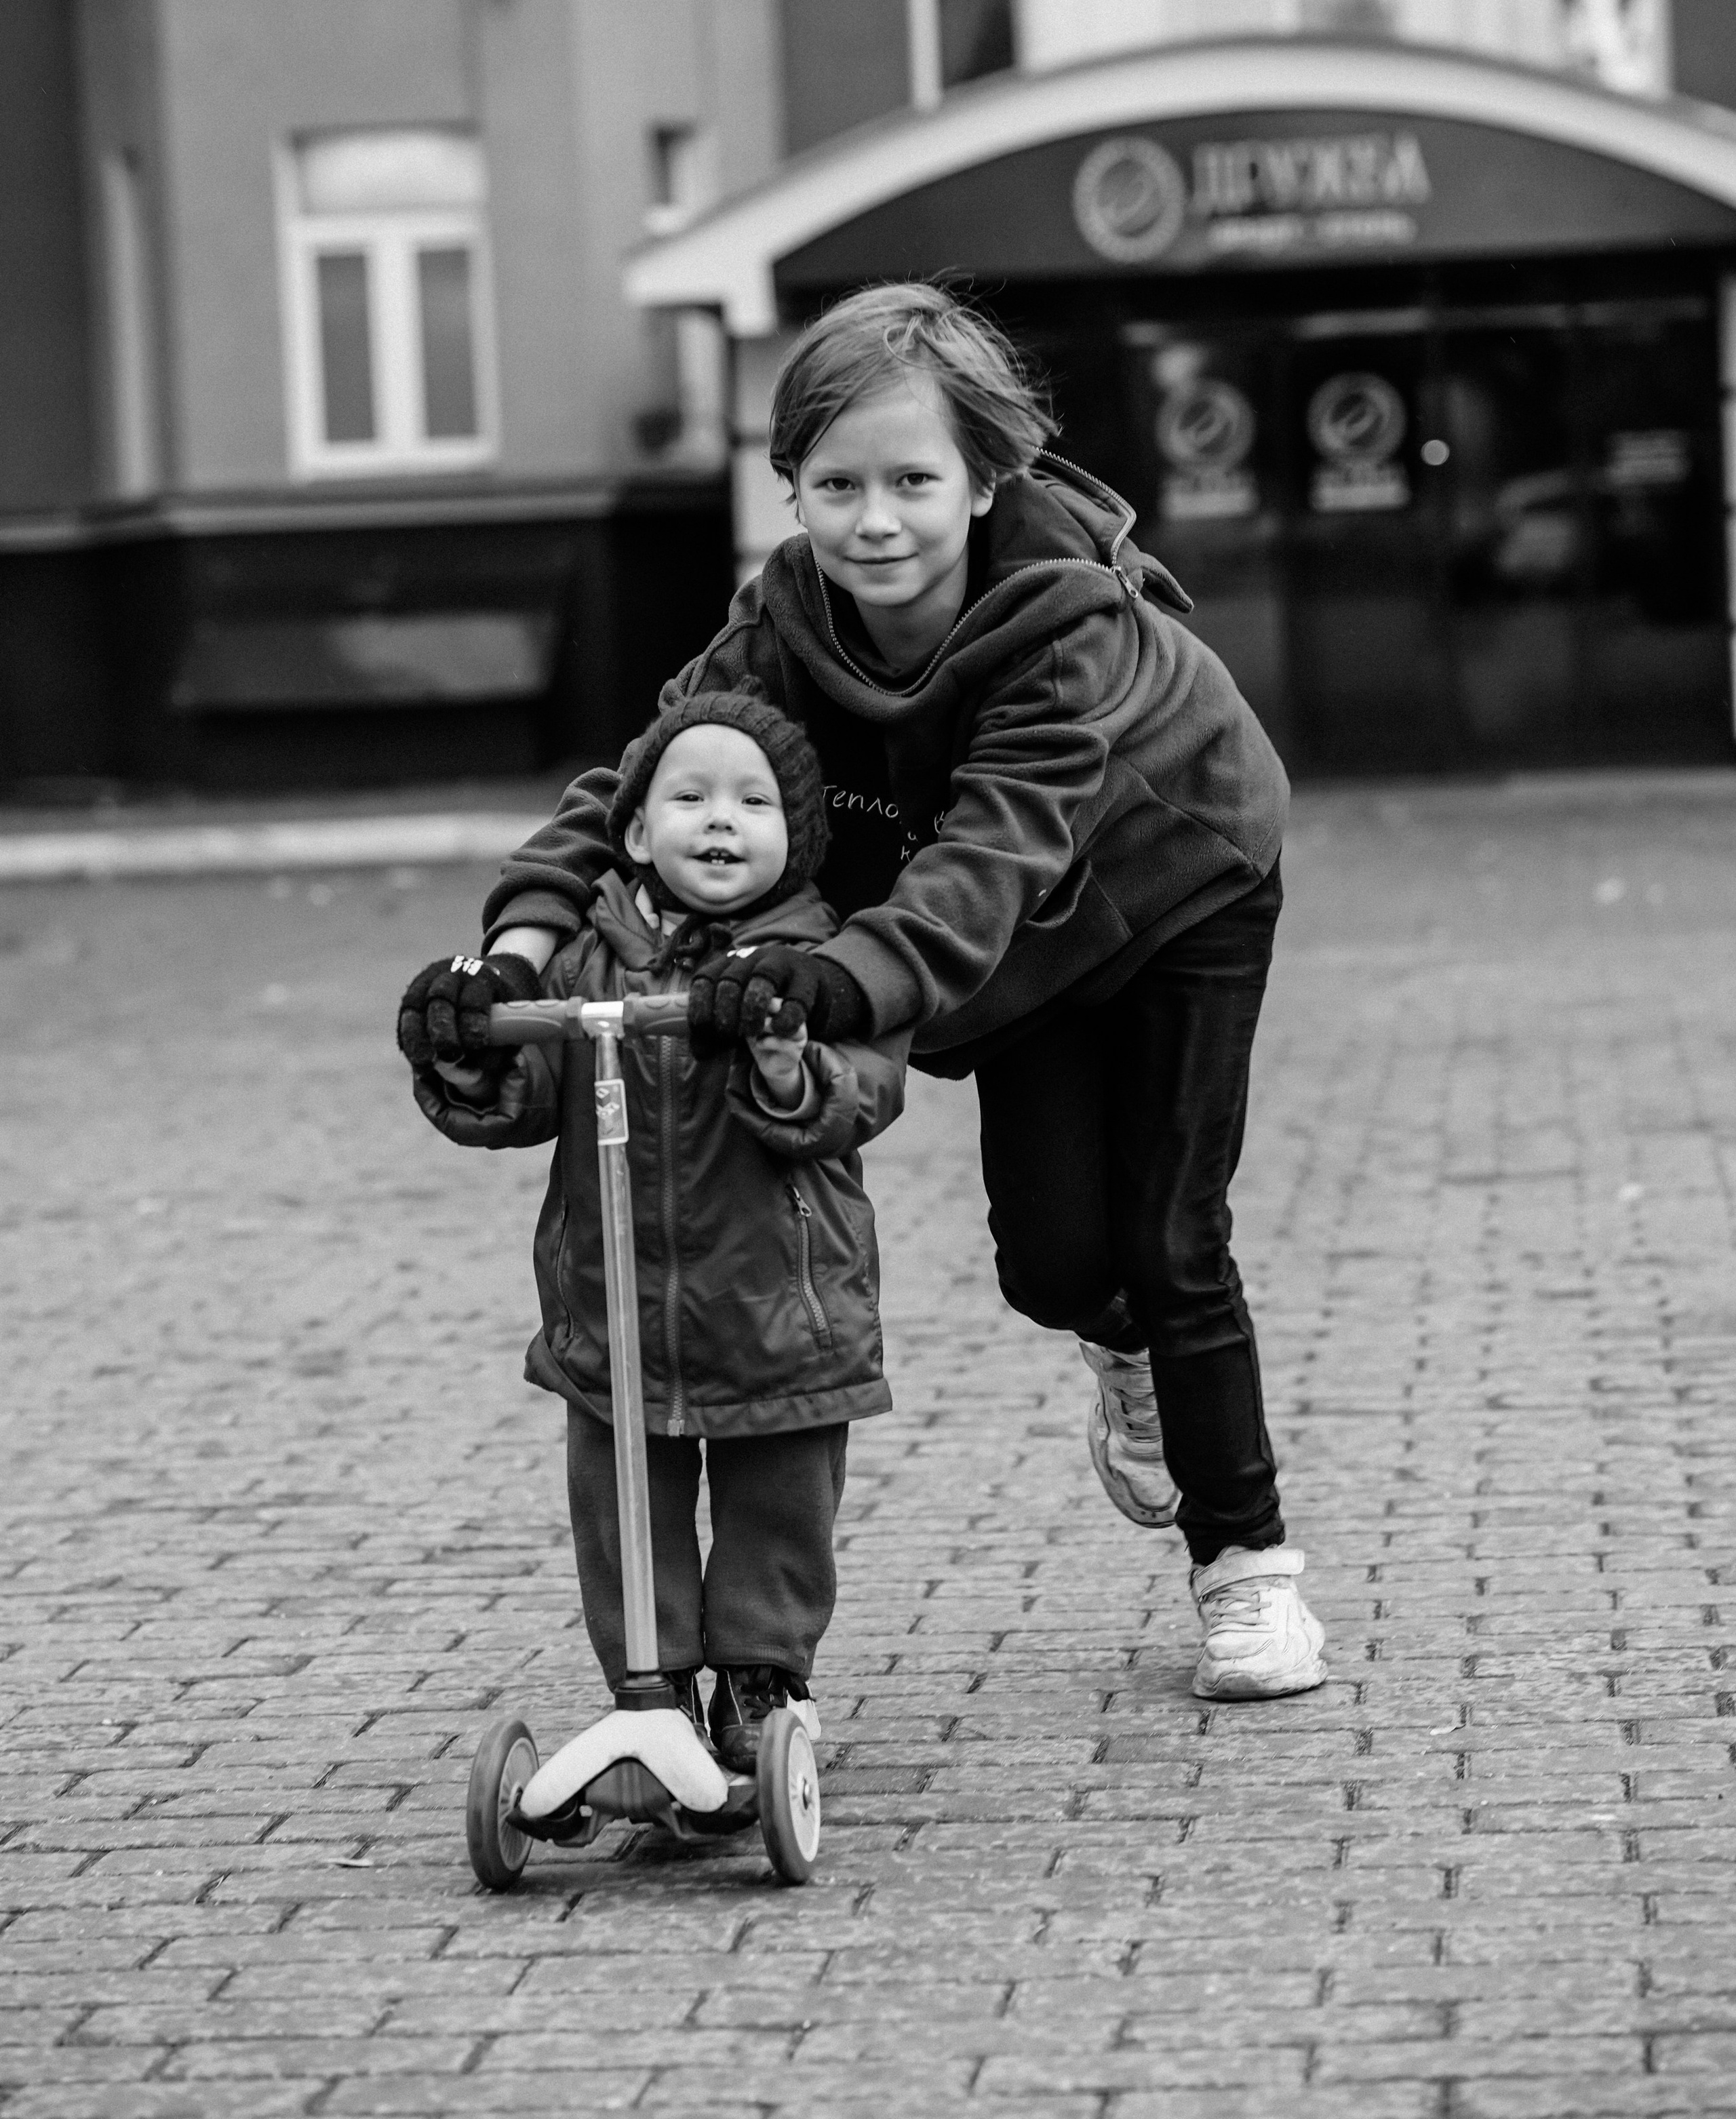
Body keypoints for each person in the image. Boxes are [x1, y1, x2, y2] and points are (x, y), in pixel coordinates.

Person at [400, 281, 1324, 1702]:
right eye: (835, 485)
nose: (874, 520)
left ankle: (1245, 1571)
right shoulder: (778, 629)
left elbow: (987, 850)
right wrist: (511, 953)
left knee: (1168, 1232)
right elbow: (634, 789)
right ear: (792, 489)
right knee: (1054, 1265)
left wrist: (820, 984)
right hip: (1006, 941)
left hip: (1170, 889)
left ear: (982, 480)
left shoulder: (1066, 628)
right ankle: (1116, 1341)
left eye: (911, 480)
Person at [403, 685, 906, 1768]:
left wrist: (785, 1059)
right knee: (623, 1492)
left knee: (780, 1494)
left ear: (798, 838)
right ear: (634, 831)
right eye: (690, 796)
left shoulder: (824, 964)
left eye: (754, 803)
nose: (721, 820)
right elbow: (524, 1093)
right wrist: (470, 1043)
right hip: (615, 1300)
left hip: (783, 1298)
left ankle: (766, 1678)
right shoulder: (583, 962)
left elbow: (864, 1088)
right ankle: (656, 1680)